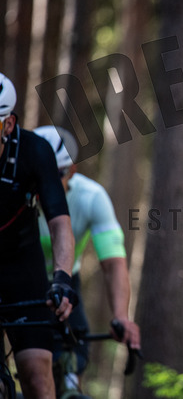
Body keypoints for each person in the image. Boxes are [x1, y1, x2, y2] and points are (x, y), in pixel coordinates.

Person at [34, 125, 141, 390]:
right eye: (38, 173)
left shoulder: (91, 197)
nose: (45, 183)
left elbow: (113, 263)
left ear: (71, 171)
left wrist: (120, 315)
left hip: (66, 281)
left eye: (55, 175)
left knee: (73, 362)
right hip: (18, 279)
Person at [0, 72, 76, 398]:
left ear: (8, 124)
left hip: (22, 266)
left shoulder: (35, 151)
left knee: (37, 376)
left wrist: (62, 278)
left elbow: (59, 223)